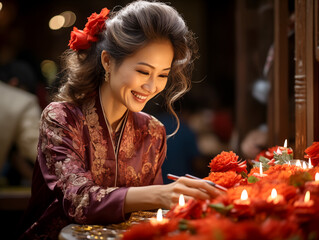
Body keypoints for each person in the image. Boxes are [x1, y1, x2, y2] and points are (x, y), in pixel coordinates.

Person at [18, 1, 222, 239]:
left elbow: (145, 217)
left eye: (163, 74)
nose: (151, 86)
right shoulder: (61, 118)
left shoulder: (153, 131)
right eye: (143, 71)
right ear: (107, 61)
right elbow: (79, 200)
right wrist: (161, 194)